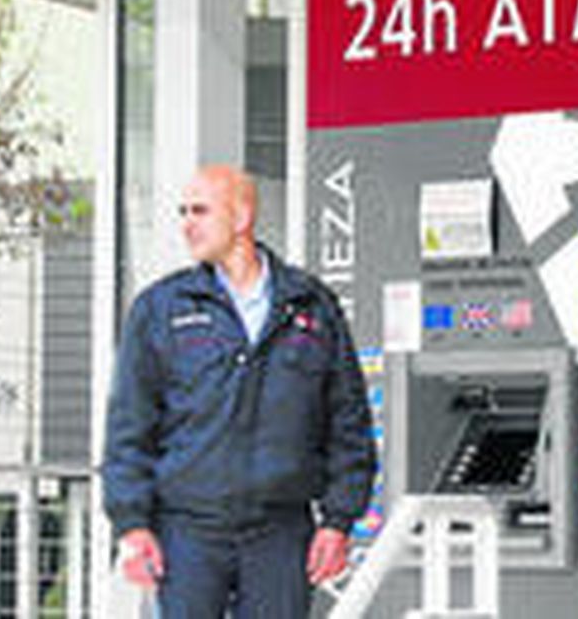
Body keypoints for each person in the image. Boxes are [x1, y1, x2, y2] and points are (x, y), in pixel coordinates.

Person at [102, 165, 376, 618]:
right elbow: (129, 425)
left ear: (242, 216)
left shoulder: (312, 305)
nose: (187, 223)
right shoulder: (160, 309)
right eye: (183, 212)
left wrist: (338, 523)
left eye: (201, 211)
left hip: (281, 533)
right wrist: (132, 524)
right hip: (187, 530)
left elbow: (348, 424)